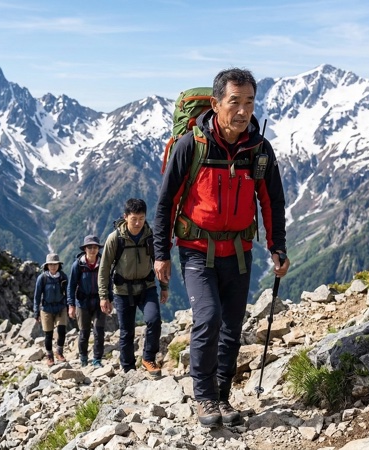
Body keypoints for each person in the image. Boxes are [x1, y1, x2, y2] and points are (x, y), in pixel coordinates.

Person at [153, 68, 290, 428]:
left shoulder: (258, 149)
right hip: (197, 250)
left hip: (240, 252)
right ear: (215, 104)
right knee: (209, 317)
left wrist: (277, 246)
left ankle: (224, 397)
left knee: (232, 326)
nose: (243, 111)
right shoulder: (191, 146)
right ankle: (204, 397)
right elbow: (166, 202)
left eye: (249, 102)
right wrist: (161, 253)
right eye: (235, 102)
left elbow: (272, 200)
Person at [98, 198, 169, 376]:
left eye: (141, 218)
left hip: (147, 287)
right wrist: (103, 296)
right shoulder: (115, 238)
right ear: (125, 217)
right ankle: (128, 369)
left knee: (154, 320)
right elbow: (104, 268)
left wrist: (164, 287)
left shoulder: (150, 236)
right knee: (126, 332)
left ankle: (148, 358)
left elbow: (159, 262)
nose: (138, 223)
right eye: (134, 218)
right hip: (123, 291)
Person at [67, 235, 107, 367]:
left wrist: (109, 299)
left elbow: (109, 282)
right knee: (84, 333)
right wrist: (71, 305)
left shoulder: (103, 263)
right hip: (82, 303)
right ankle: (83, 358)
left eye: (95, 247)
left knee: (99, 332)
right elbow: (71, 285)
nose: (92, 249)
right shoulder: (78, 265)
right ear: (85, 249)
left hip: (99, 302)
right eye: (89, 247)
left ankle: (97, 359)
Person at [33, 253, 69, 366]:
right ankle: (49, 356)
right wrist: (36, 312)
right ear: (47, 266)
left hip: (60, 307)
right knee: (48, 334)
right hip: (46, 309)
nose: (53, 267)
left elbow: (68, 293)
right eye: (50, 264)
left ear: (59, 265)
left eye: (55, 264)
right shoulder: (42, 278)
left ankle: (59, 352)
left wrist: (69, 306)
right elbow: (37, 295)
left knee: (62, 330)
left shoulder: (63, 277)